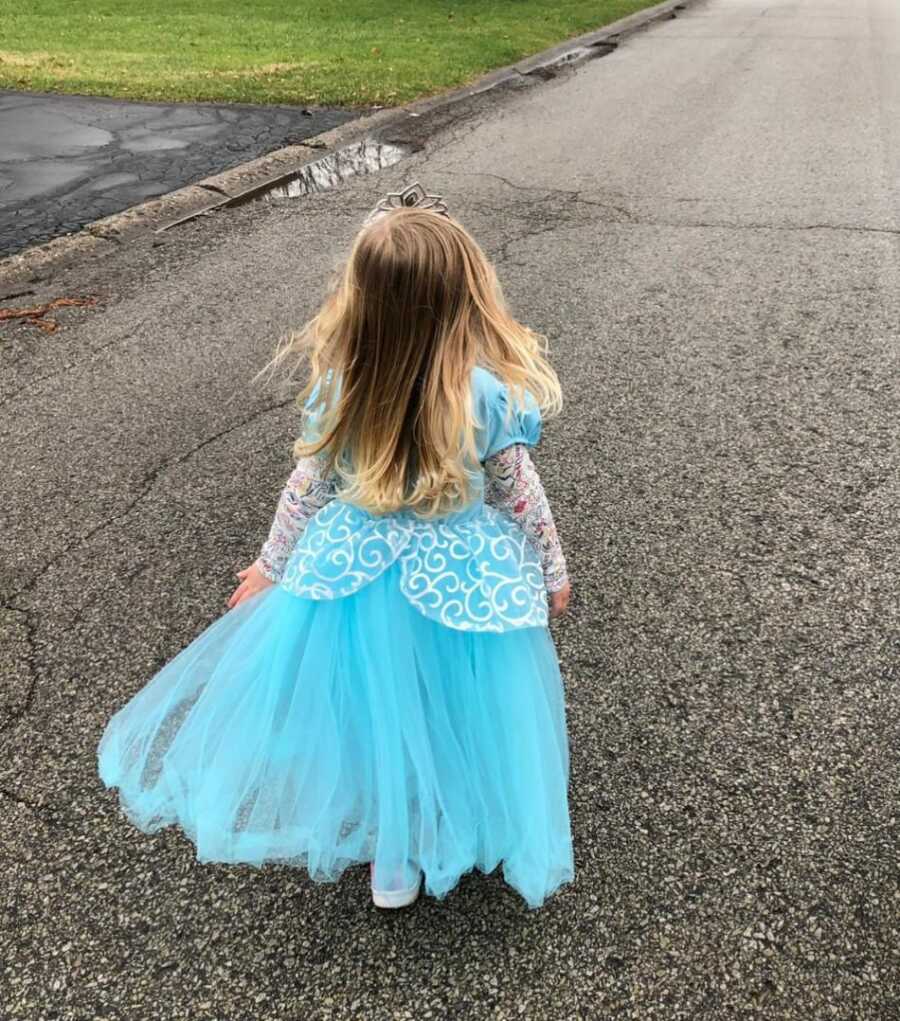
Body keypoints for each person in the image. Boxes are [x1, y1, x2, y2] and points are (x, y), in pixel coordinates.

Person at [98, 187, 574, 909]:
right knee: (450, 707)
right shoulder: (486, 395)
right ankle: (433, 828)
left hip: (356, 578)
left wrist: (271, 564)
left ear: (359, 300)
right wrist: (551, 569)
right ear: (464, 298)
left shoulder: (341, 388)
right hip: (463, 579)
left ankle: (393, 857)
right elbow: (520, 495)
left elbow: (305, 490)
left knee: (376, 713)